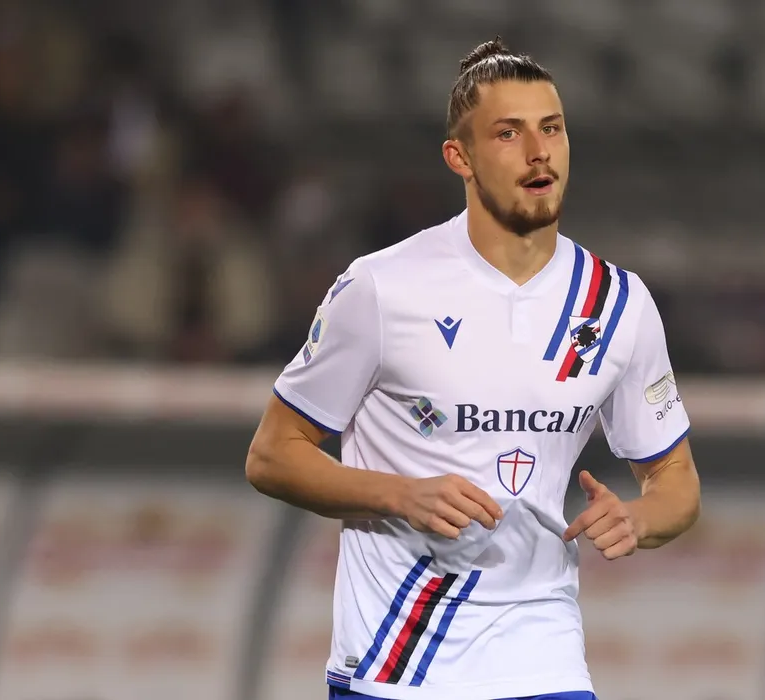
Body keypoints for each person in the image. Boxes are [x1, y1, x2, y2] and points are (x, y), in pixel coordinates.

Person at [246, 37, 702, 700]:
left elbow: (676, 480)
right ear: (459, 157)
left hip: (543, 659)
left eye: (552, 129)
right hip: (398, 664)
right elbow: (271, 455)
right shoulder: (381, 289)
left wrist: (642, 519)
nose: (539, 151)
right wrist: (401, 495)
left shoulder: (617, 303)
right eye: (509, 133)